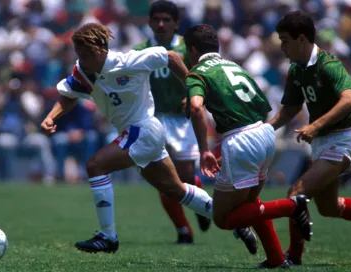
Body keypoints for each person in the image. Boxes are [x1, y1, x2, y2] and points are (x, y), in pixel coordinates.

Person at [41, 23, 219, 254]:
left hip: (143, 129)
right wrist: (51, 116)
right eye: (79, 54)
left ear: (103, 49)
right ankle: (234, 220)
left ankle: (107, 237)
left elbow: (171, 56)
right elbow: (69, 95)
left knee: (95, 165)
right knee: (176, 190)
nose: (83, 59)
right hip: (136, 135)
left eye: (88, 54)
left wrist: (191, 88)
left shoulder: (128, 61)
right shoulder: (83, 70)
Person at [269, 11, 351, 265]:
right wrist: (264, 130)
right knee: (328, 208)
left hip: (343, 139)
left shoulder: (328, 64)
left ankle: (293, 257)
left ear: (301, 39)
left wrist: (315, 125)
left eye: (284, 40)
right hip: (323, 142)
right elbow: (290, 109)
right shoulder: (296, 70)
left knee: (297, 192)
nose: (281, 46)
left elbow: (349, 101)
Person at [184, 24, 312, 269]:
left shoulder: (197, 72)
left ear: (192, 49)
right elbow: (263, 105)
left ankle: (292, 206)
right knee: (249, 206)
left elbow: (196, 107)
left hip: (240, 139)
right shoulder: (235, 66)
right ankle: (276, 259)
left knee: (223, 218)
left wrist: (205, 150)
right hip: (263, 133)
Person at [133, 0, 210, 244]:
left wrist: (195, 97)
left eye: (166, 19)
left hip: (182, 120)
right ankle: (183, 231)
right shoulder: (140, 50)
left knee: (185, 177)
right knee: (163, 178)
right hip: (152, 120)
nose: (160, 24)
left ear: (176, 23)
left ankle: (201, 203)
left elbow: (205, 76)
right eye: (156, 19)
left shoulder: (188, 49)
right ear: (149, 22)